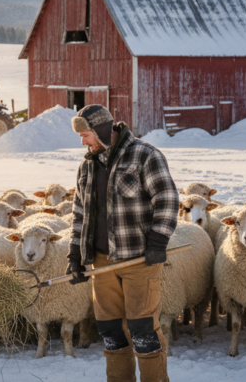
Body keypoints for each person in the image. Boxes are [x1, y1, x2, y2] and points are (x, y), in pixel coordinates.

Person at [67, 104, 178, 382]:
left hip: (138, 259)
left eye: (87, 134)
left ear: (103, 131)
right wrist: (76, 256)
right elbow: (80, 213)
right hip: (101, 262)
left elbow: (167, 200)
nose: (83, 141)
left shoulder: (145, 155)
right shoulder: (87, 166)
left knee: (143, 331)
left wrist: (157, 243)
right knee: (111, 333)